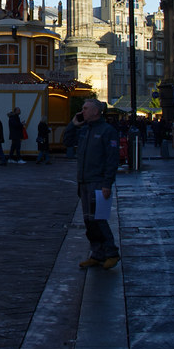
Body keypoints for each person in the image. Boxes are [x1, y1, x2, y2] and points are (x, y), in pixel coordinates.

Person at [73, 99, 121, 270]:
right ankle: (97, 253)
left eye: (85, 108)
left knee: (99, 219)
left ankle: (111, 252)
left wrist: (107, 183)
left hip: (98, 182)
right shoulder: (85, 129)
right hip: (84, 181)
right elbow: (68, 141)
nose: (82, 111)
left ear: (95, 111)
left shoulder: (107, 131)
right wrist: (74, 124)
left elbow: (112, 159)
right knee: (89, 220)